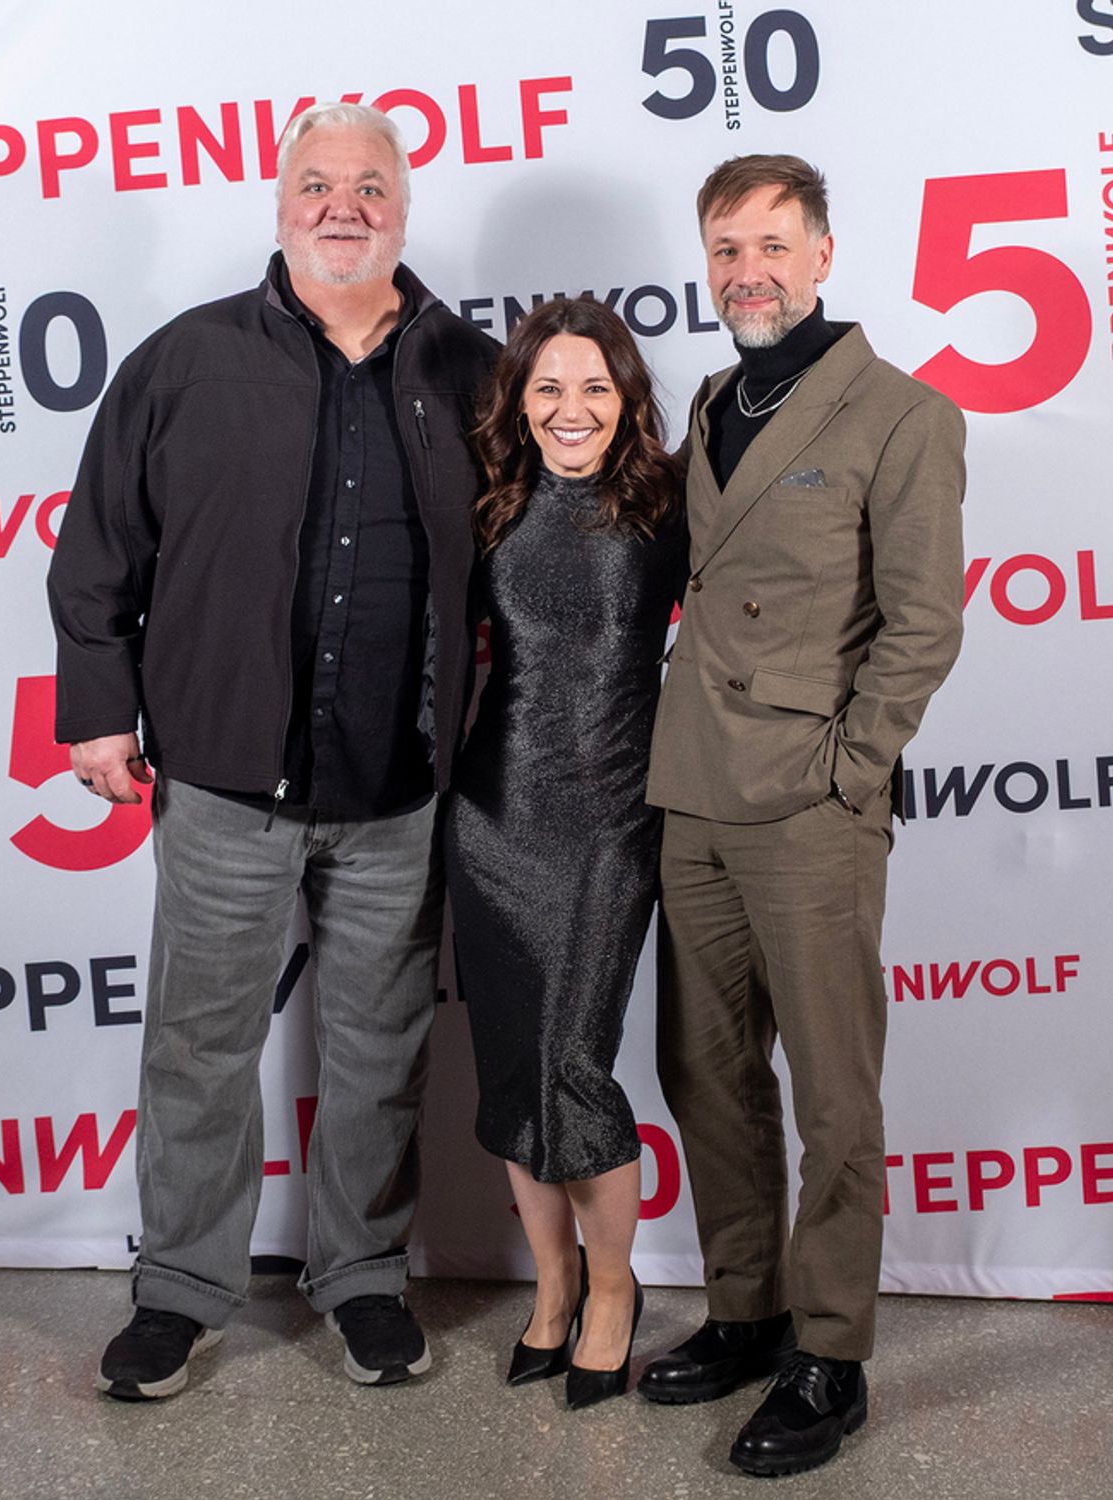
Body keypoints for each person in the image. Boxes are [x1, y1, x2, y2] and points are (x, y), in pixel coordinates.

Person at [47, 102, 497, 1400]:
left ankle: (361, 1279)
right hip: (228, 781)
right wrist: (98, 708)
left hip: (401, 789)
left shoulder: (469, 372)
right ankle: (181, 1292)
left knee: (381, 1049)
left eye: (370, 183)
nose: (342, 203)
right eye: (318, 181)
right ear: (279, 199)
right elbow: (101, 547)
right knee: (198, 1046)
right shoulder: (186, 360)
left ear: (404, 209)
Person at [639, 156, 965, 1475]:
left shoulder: (901, 414)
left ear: (825, 254)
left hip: (811, 805)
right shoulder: (714, 400)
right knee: (703, 1071)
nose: (747, 270)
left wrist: (854, 766)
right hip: (692, 791)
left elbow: (926, 621)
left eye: (772, 244)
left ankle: (830, 1354)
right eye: (725, 248)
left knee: (832, 1091)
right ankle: (745, 1310)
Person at [444, 298, 683, 1409]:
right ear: (519, 401)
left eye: (595, 387)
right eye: (548, 388)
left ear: (628, 399)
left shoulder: (667, 504)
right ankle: (550, 1288)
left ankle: (614, 1290)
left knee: (574, 1069)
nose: (571, 409)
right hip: (493, 818)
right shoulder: (491, 503)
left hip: (609, 822)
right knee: (512, 1075)